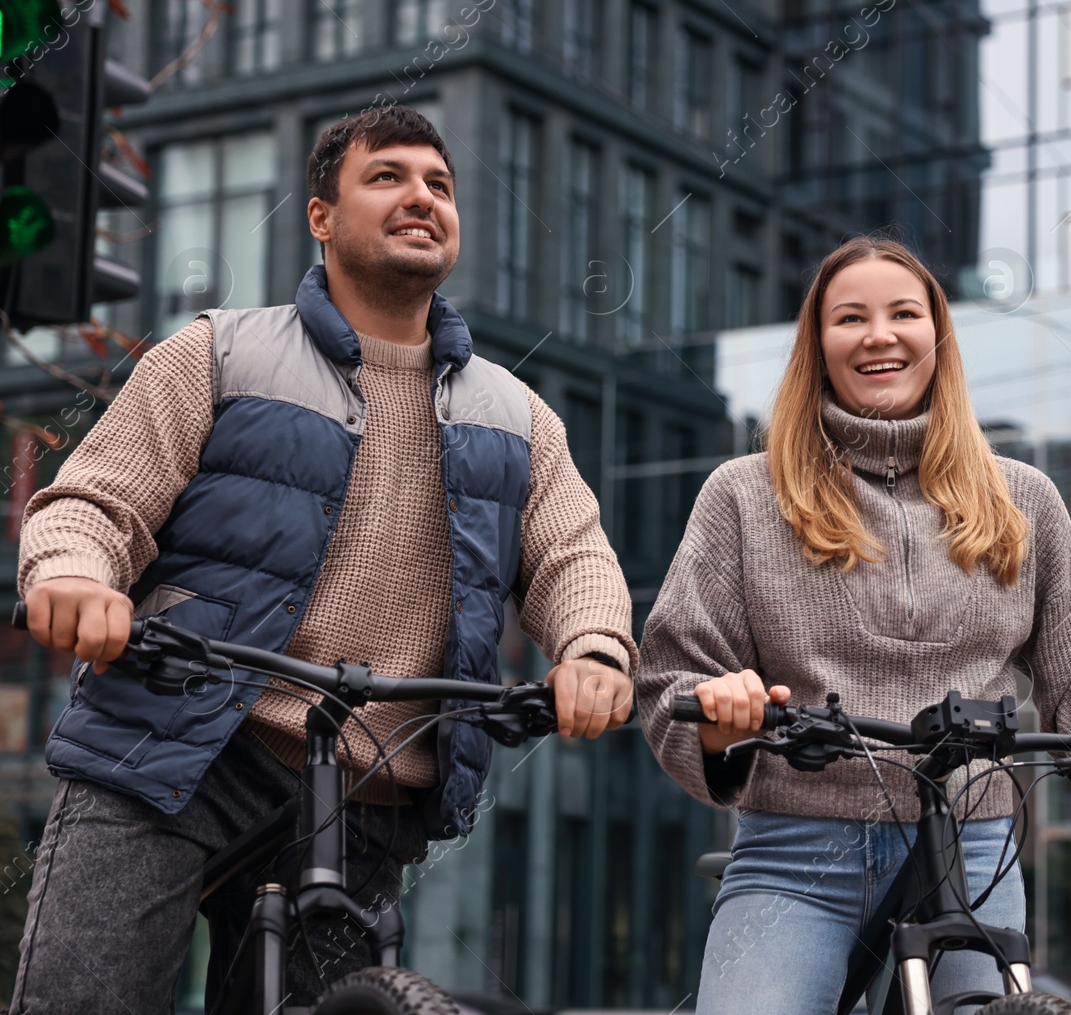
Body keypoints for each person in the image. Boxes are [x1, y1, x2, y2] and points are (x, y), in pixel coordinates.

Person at [8, 105, 637, 1013]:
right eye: (387, 176)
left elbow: (577, 557)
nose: (421, 195)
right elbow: (92, 500)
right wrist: (73, 574)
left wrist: (595, 651)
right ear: (320, 215)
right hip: (172, 752)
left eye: (440, 184)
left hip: (365, 797)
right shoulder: (217, 354)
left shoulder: (519, 417)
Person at [636, 235, 1071, 1014]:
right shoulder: (744, 495)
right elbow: (673, 673)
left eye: (904, 313)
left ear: (937, 338)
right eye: (850, 318)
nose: (879, 334)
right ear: (818, 346)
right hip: (796, 855)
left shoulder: (1022, 498)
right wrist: (719, 715)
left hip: (971, 852)